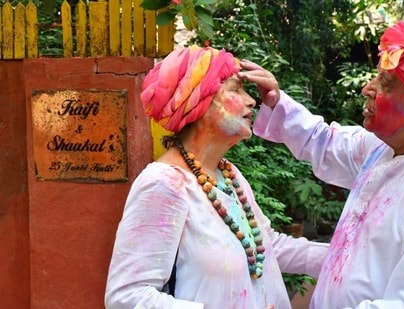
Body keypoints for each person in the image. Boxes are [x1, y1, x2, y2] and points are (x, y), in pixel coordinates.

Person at [239, 18, 404, 308]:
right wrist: (276, 101)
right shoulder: (385, 146)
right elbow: (322, 141)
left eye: (385, 83)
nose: (367, 88)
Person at [104, 44, 328, 309]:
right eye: (235, 89)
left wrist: (349, 255)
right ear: (199, 104)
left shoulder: (229, 174)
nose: (251, 100)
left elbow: (265, 246)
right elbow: (127, 296)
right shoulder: (164, 184)